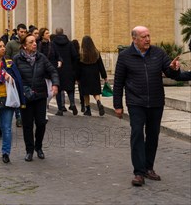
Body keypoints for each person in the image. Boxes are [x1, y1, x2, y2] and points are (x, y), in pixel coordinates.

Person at [113, 26, 181, 187]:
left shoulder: (158, 53)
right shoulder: (124, 56)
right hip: (136, 102)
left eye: (149, 36)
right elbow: (118, 83)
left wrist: (173, 68)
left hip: (156, 102)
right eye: (144, 37)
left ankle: (148, 167)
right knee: (137, 133)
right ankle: (138, 172)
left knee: (153, 135)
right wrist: (118, 105)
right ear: (134, 39)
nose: (148, 39)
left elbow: (171, 73)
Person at [12, 34, 59, 161]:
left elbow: (52, 71)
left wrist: (55, 84)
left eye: (35, 42)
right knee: (27, 125)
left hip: (40, 95)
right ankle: (29, 150)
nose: (34, 44)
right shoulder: (17, 59)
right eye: (31, 42)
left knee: (41, 123)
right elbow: (13, 76)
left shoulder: (41, 57)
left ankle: (39, 147)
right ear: (24, 46)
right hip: (26, 97)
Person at [76, 36, 108, 116]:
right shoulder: (96, 52)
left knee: (86, 93)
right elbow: (101, 65)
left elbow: (78, 67)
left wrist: (77, 77)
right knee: (95, 91)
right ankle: (98, 102)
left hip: (84, 75)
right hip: (94, 74)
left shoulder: (81, 53)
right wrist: (104, 76)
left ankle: (88, 110)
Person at [52, 28, 80, 116]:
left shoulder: (53, 44)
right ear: (63, 33)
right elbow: (75, 56)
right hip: (69, 69)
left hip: (58, 69)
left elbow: (52, 55)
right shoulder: (70, 43)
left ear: (56, 33)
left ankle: (60, 109)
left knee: (59, 90)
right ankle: (72, 103)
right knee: (70, 89)